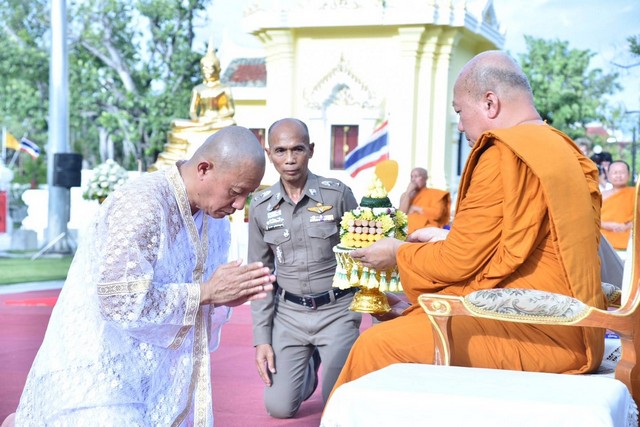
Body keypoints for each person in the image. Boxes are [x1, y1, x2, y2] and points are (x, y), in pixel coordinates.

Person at [327, 50, 605, 397]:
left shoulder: (504, 153)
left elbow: (460, 260)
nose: (460, 125)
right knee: (411, 319)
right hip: (580, 326)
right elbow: (511, 250)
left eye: (460, 112)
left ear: (490, 103)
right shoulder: (567, 150)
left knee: (377, 345)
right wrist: (441, 243)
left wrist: (398, 252)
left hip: (541, 331)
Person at [4, 126, 276, 427]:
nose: (239, 206)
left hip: (155, 368)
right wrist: (206, 293)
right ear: (204, 169)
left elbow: (200, 294)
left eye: (247, 196)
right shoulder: (142, 203)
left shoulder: (217, 219)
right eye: (236, 192)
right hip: (100, 361)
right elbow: (118, 302)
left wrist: (223, 297)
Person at [249, 118, 360, 418]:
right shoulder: (260, 206)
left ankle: (324, 359)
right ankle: (306, 366)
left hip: (336, 311)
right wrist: (262, 339)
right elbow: (260, 276)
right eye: (281, 151)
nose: (289, 159)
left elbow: (362, 252)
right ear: (269, 153)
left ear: (310, 150)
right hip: (290, 317)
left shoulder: (337, 195)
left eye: (297, 149)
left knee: (336, 405)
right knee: (280, 408)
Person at [398, 167, 451, 233]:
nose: (413, 179)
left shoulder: (436, 194)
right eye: (411, 176)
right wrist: (408, 193)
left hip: (426, 227)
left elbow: (437, 214)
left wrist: (417, 208)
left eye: (416, 176)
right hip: (408, 228)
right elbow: (400, 215)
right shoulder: (405, 195)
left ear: (425, 178)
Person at [601, 160, 634, 252]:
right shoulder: (600, 196)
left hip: (630, 240)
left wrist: (629, 225)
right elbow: (591, 219)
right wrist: (605, 224)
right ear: (608, 175)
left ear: (629, 175)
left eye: (622, 172)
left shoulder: (635, 194)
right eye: (615, 172)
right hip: (604, 240)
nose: (618, 175)